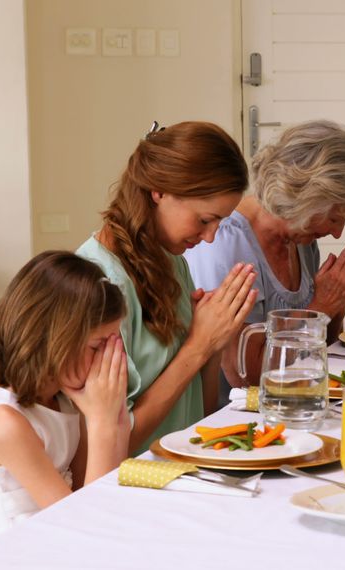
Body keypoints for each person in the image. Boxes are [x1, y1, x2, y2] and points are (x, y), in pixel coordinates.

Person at [77, 121, 258, 454]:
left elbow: (194, 417)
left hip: (179, 466)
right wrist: (198, 346)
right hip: (128, 483)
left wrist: (214, 344)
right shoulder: (101, 284)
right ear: (158, 191)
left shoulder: (172, 262)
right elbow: (108, 447)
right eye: (205, 220)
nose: (210, 237)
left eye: (220, 222)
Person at [184, 120, 345, 401]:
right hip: (234, 422)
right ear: (305, 198)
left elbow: (315, 351)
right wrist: (321, 306)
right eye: (335, 218)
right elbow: (248, 377)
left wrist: (338, 304)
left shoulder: (302, 241)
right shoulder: (225, 243)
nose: (337, 233)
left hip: (293, 406)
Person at [0, 252, 130, 552]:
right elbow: (83, 531)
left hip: (61, 526)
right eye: (98, 346)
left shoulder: (62, 399)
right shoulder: (4, 423)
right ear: (54, 341)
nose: (110, 358)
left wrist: (112, 418)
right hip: (3, 548)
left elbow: (95, 490)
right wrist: (101, 422)